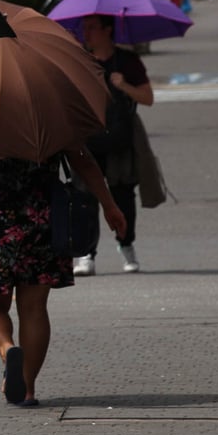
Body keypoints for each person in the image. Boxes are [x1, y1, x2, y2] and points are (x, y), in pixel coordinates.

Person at [0, 145, 124, 407]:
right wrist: (109, 205)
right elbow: (84, 160)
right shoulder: (49, 110)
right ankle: (27, 390)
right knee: (34, 308)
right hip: (43, 215)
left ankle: (7, 350)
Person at [72, 14, 154, 275]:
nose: (87, 32)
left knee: (123, 196)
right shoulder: (79, 60)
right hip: (88, 138)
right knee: (83, 196)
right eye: (84, 27)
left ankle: (126, 245)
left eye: (92, 27)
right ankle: (86, 254)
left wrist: (124, 85)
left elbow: (148, 97)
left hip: (120, 138)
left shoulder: (127, 61)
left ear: (108, 30)